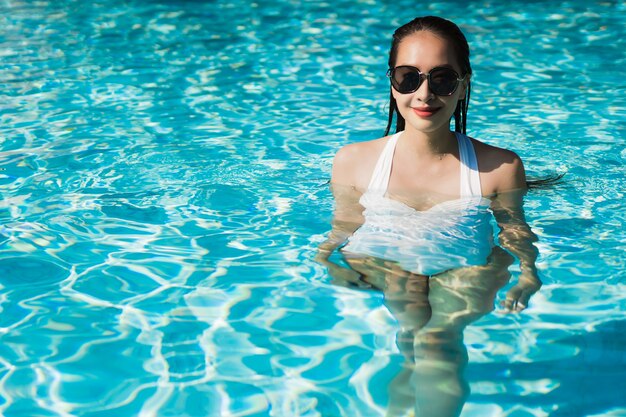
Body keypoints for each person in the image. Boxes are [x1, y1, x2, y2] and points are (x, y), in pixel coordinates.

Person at [315, 15, 543, 417]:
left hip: (464, 269)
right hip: (385, 264)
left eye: (441, 79)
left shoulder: (501, 167)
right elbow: (344, 227)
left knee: (435, 340)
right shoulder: (352, 161)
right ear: (391, 81)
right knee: (411, 328)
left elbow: (513, 232)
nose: (424, 94)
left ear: (463, 84)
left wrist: (528, 270)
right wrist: (324, 258)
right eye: (408, 77)